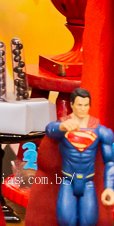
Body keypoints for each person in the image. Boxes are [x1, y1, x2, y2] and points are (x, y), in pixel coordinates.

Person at [45, 88, 114, 226]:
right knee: (65, 220)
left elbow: (110, 162)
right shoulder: (63, 125)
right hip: (67, 180)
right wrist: (61, 127)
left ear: (89, 105)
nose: (83, 109)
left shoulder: (100, 130)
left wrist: (110, 187)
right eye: (79, 105)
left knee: (88, 221)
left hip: (88, 181)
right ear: (71, 105)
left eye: (86, 105)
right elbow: (49, 130)